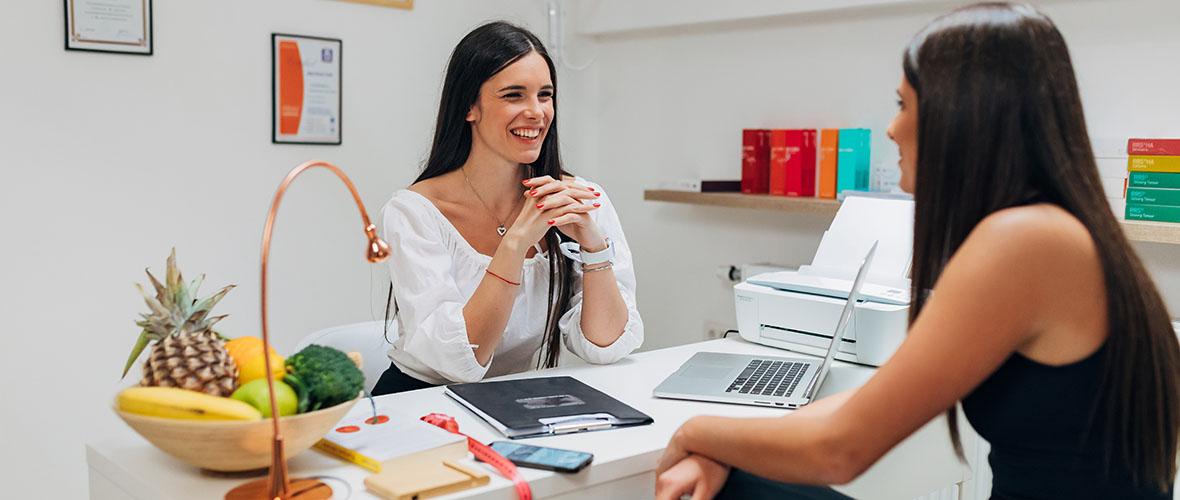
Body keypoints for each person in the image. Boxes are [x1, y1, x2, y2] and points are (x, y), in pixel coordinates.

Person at [655, 3, 1180, 499]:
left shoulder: (1024, 241)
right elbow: (863, 407)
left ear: (968, 115)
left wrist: (696, 433)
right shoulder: (1061, 230)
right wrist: (723, 444)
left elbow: (842, 449)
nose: (891, 127)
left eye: (904, 104)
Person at [373, 21, 643, 395]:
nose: (536, 112)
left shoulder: (580, 200)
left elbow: (605, 346)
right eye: (514, 95)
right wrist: (515, 244)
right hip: (421, 399)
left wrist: (594, 247)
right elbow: (460, 360)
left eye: (544, 95)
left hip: (517, 398)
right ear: (470, 107)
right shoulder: (414, 212)